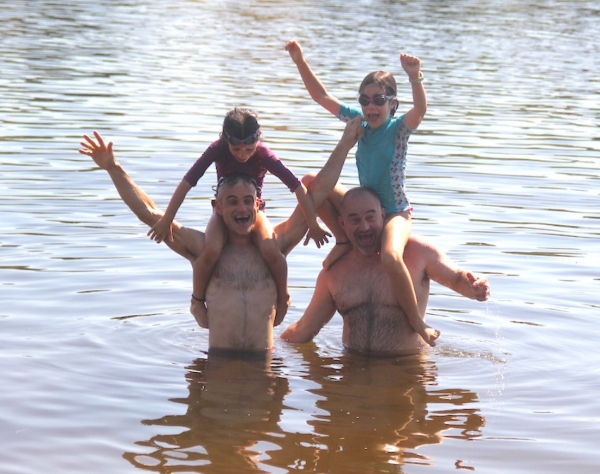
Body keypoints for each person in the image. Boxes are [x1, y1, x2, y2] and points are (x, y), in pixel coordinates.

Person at [78, 117, 364, 353]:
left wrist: (346, 142)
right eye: (231, 201)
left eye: (247, 201)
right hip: (216, 371)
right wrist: (113, 169)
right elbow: (150, 214)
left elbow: (318, 192)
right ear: (218, 208)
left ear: (257, 204)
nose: (241, 208)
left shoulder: (274, 245)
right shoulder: (204, 250)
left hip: (262, 370)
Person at [285, 40, 437, 346]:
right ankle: (344, 240)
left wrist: (415, 76)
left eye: (378, 100)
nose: (370, 107)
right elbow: (321, 97)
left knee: (392, 258)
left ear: (392, 104)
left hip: (394, 212)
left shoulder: (398, 129)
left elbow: (420, 110)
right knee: (312, 181)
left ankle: (418, 323)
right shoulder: (360, 123)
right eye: (365, 100)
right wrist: (300, 60)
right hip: (365, 207)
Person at [147, 108, 330, 326]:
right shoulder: (217, 149)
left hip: (255, 211)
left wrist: (313, 223)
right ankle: (197, 300)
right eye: (236, 149)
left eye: (248, 148)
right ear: (225, 139)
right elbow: (187, 183)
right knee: (211, 248)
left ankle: (284, 297)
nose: (242, 154)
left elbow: (298, 188)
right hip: (223, 210)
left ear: (258, 139)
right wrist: (167, 219)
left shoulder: (264, 154)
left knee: (271, 249)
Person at [281, 186, 490, 355]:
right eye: (354, 220)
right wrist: (270, 352)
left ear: (383, 216)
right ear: (342, 224)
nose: (364, 227)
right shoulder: (333, 273)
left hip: (408, 370)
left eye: (370, 217)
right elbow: (304, 329)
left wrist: (474, 286)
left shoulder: (418, 252)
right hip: (352, 373)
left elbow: (456, 278)